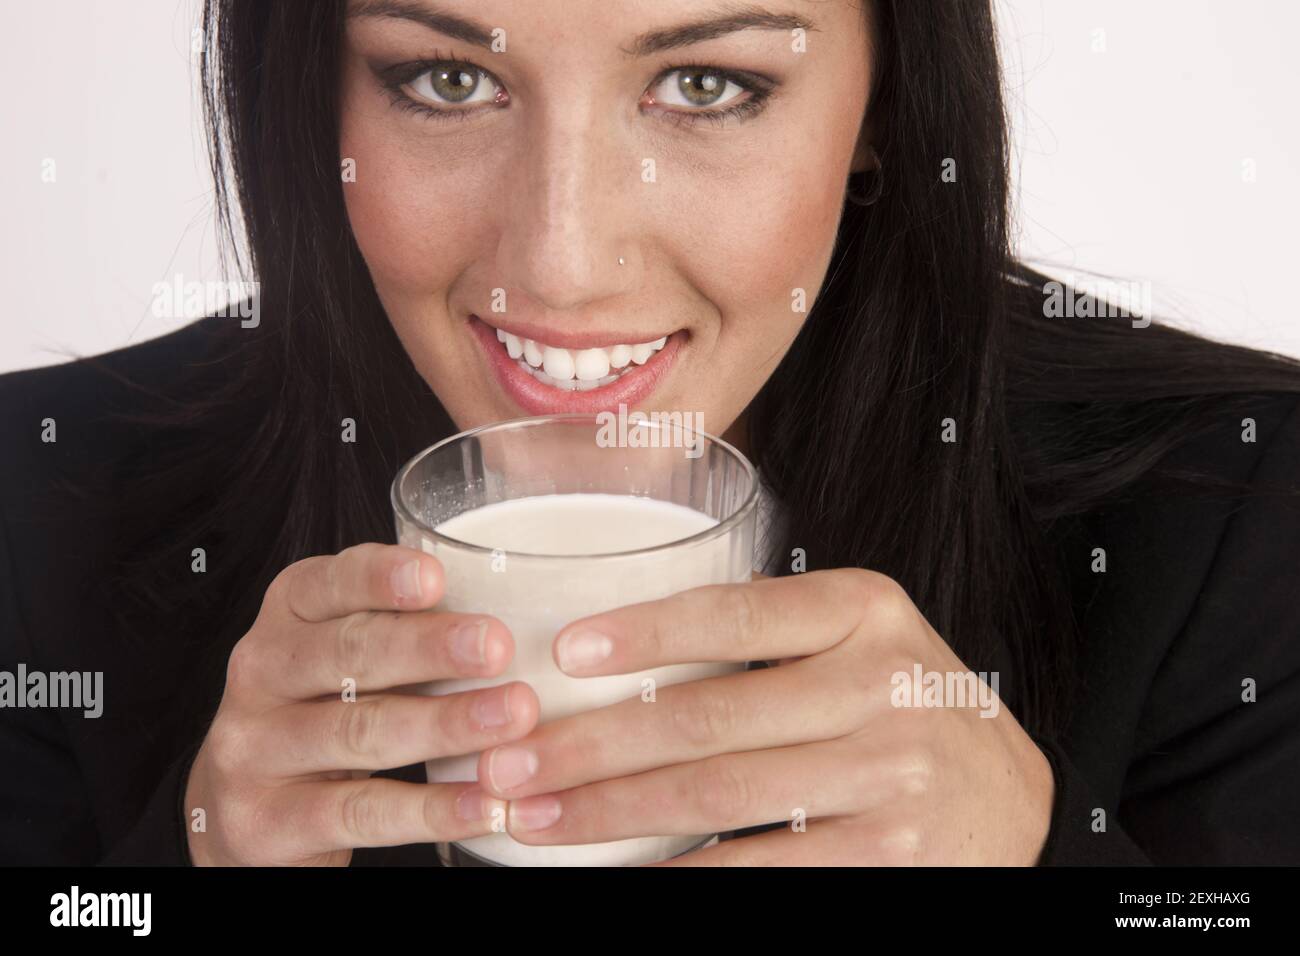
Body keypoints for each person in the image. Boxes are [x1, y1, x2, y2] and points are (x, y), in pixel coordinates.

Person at [2, 0, 1298, 867]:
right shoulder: (37, 499)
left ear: (884, 103)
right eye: (446, 79)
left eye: (708, 84)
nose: (563, 266)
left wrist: (1048, 851)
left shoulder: (1241, 509)